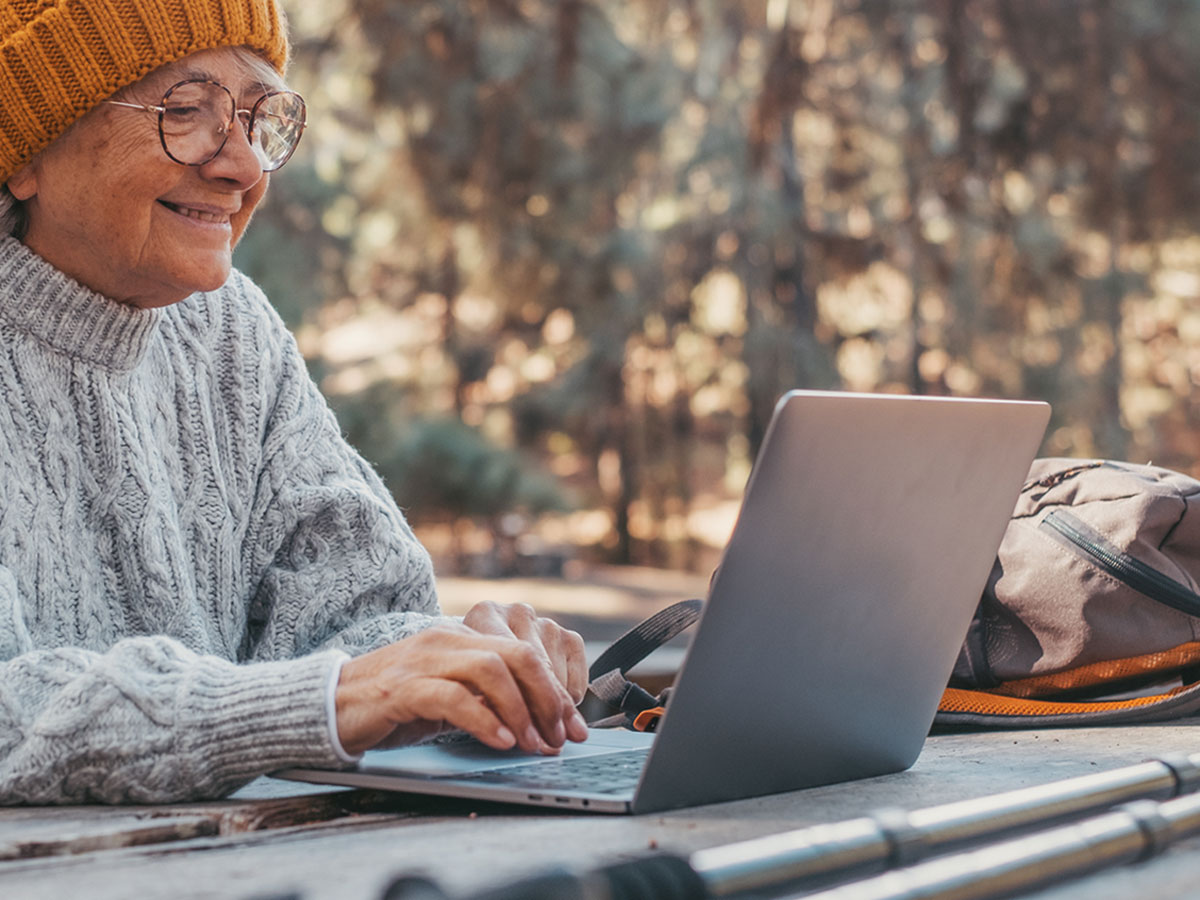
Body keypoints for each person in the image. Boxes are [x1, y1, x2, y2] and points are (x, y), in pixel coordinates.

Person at [0, 0, 588, 805]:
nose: (243, 166)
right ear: (26, 148)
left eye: (260, 118)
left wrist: (462, 659)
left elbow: (352, 616)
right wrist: (328, 702)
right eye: (187, 113)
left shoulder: (233, 329)